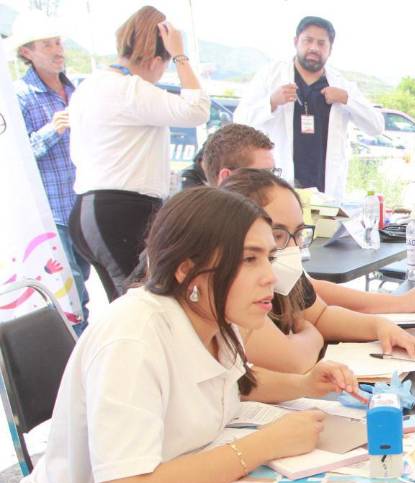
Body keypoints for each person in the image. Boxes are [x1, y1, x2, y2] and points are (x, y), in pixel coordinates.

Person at [0, 187, 360, 483]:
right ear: (187, 270)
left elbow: (233, 385)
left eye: (269, 257)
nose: (270, 277)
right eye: (250, 259)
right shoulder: (134, 335)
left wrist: (303, 383)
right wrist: (266, 445)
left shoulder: (214, 316)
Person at [184, 125, 415, 314]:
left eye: (275, 172)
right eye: (263, 174)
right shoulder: (214, 251)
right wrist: (398, 304)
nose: (273, 182)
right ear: (227, 178)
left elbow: (309, 292)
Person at [219, 169, 415, 373]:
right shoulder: (236, 293)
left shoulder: (286, 271)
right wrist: (312, 334)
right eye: (277, 235)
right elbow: (294, 361)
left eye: (299, 233)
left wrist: (378, 326)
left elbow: (320, 315)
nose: (292, 248)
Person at [67, 5, 209, 301]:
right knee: (143, 305)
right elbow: (197, 109)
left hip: (93, 210)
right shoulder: (128, 90)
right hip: (119, 213)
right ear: (157, 60)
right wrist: (181, 55)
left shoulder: (92, 86)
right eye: (167, 64)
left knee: (129, 304)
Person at [235, 16, 385, 201]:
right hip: (280, 183)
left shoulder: (341, 85)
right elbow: (239, 121)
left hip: (325, 190)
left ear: (330, 50)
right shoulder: (271, 75)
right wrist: (271, 102)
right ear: (296, 41)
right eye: (308, 41)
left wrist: (347, 99)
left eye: (322, 43)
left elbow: (376, 126)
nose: (314, 48)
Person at [8, 13, 89, 328]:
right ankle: (75, 354)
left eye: (58, 42)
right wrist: (51, 131)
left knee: (84, 281)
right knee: (73, 291)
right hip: (53, 210)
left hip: (82, 201)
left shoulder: (77, 90)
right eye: (47, 44)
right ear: (27, 52)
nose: (58, 50)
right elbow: (17, 153)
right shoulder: (21, 96)